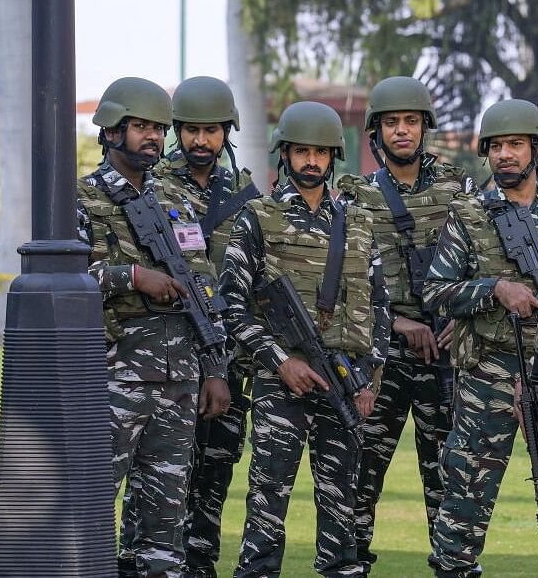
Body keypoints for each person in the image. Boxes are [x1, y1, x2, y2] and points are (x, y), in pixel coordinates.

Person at [220, 100, 389, 577]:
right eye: (301, 152)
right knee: (267, 501)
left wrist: (370, 380)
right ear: (285, 155)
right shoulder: (257, 218)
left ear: (333, 156)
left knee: (342, 507)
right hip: (282, 386)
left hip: (346, 383)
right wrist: (279, 362)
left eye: (319, 152)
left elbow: (380, 309)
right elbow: (231, 307)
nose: (310, 161)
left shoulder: (359, 224)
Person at [76, 76, 231, 577]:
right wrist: (133, 276)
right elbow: (63, 277)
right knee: (92, 508)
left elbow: (204, 289)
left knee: (166, 517)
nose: (151, 137)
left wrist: (215, 369)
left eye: (157, 128)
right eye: (139, 126)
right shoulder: (80, 200)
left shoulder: (175, 202)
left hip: (179, 377)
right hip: (113, 376)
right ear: (111, 131)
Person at [117, 76, 262, 578]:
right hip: (153, 357)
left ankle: (198, 567)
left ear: (227, 133)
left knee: (211, 477)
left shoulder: (245, 194)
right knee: (150, 487)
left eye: (212, 131)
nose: (202, 142)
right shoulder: (155, 187)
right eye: (192, 131)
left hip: (223, 354)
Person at [420, 99, 538, 578]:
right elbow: (436, 291)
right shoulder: (468, 214)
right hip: (488, 375)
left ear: (537, 151)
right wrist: (495, 289)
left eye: (515, 145)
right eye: (497, 146)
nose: (505, 154)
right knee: (463, 503)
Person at [335, 76, 471, 570]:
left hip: (446, 355)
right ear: (376, 132)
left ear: (424, 127)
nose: (402, 131)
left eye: (410, 122)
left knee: (450, 485)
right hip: (381, 361)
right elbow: (347, 279)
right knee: (360, 482)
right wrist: (395, 323)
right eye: (391, 123)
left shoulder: (459, 189)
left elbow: (484, 261)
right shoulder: (356, 196)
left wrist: (465, 317)